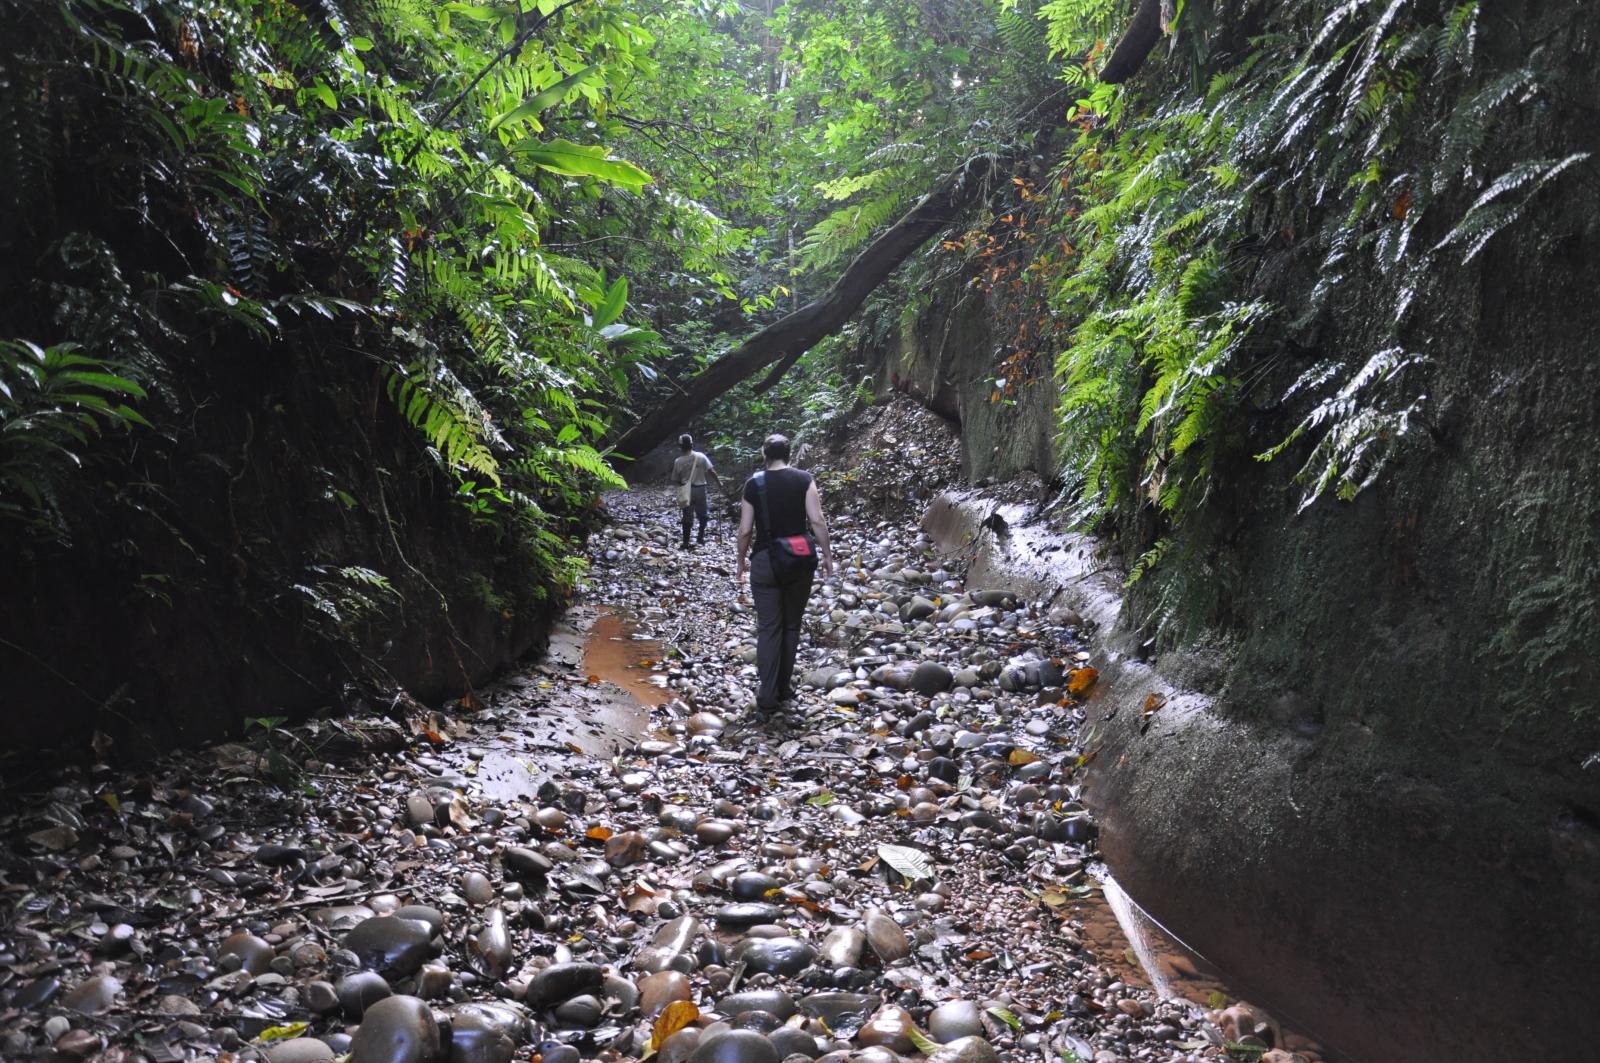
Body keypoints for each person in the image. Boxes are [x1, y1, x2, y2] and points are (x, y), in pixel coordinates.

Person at [735, 433, 833, 717]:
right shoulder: (804, 479)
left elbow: (745, 530)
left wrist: (741, 562)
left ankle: (767, 695)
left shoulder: (754, 484)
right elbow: (816, 520)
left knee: (769, 627)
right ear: (789, 454)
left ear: (764, 455)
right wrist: (826, 556)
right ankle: (784, 687)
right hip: (799, 558)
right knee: (791, 625)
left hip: (766, 561)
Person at [671, 434, 722, 548]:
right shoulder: (701, 456)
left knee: (687, 516)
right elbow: (712, 471)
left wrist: (682, 488)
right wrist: (719, 483)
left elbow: (676, 479)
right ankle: (700, 537)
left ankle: (685, 542)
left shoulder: (678, 461)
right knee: (703, 514)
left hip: (687, 490)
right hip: (701, 490)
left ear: (680, 446)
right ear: (692, 444)